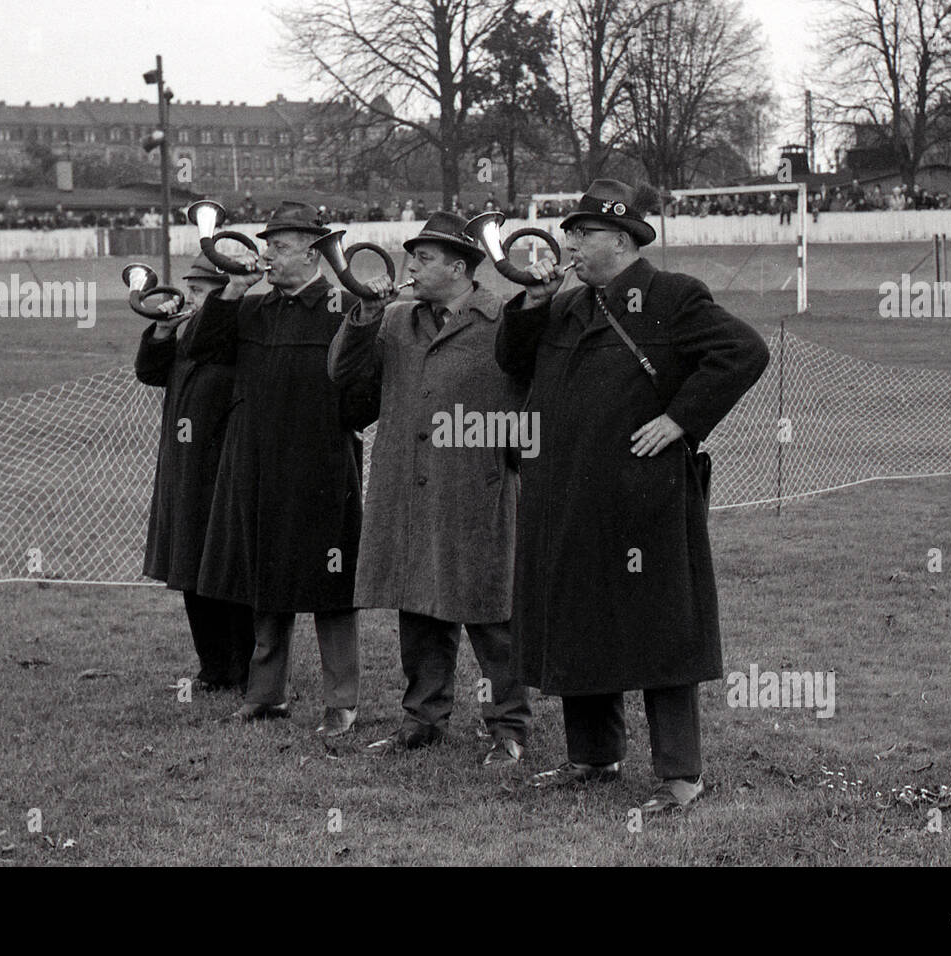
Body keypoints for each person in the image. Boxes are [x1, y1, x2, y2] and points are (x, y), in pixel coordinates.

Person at [495, 179, 769, 814]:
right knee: (578, 621)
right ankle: (594, 758)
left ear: (618, 241)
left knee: (662, 632)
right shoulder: (564, 304)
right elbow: (512, 362)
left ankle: (680, 775)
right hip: (568, 495)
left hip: (641, 497)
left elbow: (742, 351)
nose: (569, 244)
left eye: (581, 234)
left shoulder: (672, 296)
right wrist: (533, 300)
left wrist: (681, 419)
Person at [327, 212, 533, 766]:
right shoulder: (393, 320)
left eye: (423, 257)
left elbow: (528, 400)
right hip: (407, 488)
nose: (410, 266)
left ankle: (508, 726)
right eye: (411, 256)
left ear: (460, 267)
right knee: (417, 606)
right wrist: (363, 316)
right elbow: (344, 376)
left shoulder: (502, 320)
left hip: (476, 488)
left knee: (492, 613)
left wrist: (507, 458)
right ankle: (424, 719)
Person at [186, 201, 373, 737]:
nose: (267, 255)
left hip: (321, 464)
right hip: (257, 464)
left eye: (281, 246)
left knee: (332, 588)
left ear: (314, 252)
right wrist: (234, 291)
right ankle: (265, 696)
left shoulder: (341, 306)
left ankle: (343, 702)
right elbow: (199, 347)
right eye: (268, 245)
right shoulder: (252, 307)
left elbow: (364, 387)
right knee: (264, 580)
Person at [134, 254, 254, 693]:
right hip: (185, 470)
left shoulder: (238, 330)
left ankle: (246, 668)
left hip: (223, 470)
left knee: (227, 572)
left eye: (200, 290)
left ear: (223, 293)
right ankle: (213, 668)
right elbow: (149, 372)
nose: (189, 298)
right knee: (190, 570)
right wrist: (162, 330)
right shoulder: (189, 334)